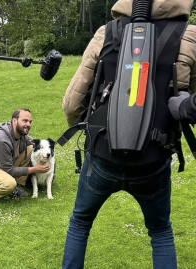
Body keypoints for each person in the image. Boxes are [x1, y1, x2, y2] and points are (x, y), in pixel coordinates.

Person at [61, 0, 196, 268]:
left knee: (80, 223)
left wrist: (87, 127)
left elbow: (71, 105)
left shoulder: (107, 32)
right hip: (153, 158)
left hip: (103, 155)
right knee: (160, 232)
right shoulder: (190, 37)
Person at [0, 108, 51, 205]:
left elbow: (35, 144)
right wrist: (35, 169)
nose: (28, 125)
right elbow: (9, 170)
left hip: (3, 166)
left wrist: (47, 149)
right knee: (9, 184)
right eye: (25, 121)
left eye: (30, 122)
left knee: (31, 149)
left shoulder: (20, 133)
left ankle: (16, 187)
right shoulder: (1, 140)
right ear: (14, 121)